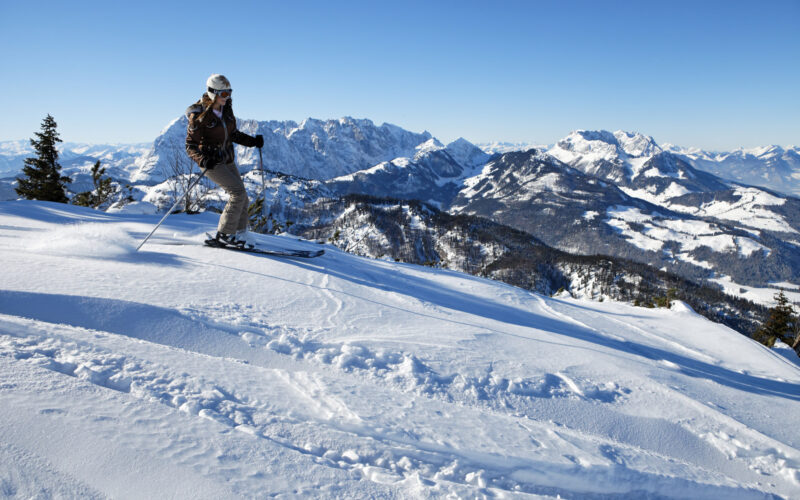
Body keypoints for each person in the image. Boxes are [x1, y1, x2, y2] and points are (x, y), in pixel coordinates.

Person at [185, 74, 264, 248]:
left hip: (227, 159)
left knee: (243, 197)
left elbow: (232, 134)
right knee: (237, 194)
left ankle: (240, 233)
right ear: (212, 93)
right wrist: (203, 160)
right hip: (212, 163)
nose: (227, 97)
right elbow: (190, 146)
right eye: (223, 94)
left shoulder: (226, 109)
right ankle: (225, 234)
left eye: (229, 93)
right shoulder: (198, 116)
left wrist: (253, 142)